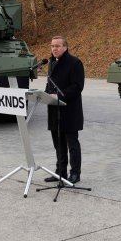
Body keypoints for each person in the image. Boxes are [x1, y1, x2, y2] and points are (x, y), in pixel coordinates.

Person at [43, 35, 85, 184]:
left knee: (72, 144)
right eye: (52, 46)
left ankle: (75, 173)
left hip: (69, 110)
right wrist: (45, 94)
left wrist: (60, 95)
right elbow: (50, 84)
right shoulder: (51, 62)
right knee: (58, 143)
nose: (54, 49)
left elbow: (77, 86)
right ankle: (60, 172)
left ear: (65, 47)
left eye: (58, 46)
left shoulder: (74, 63)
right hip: (54, 109)